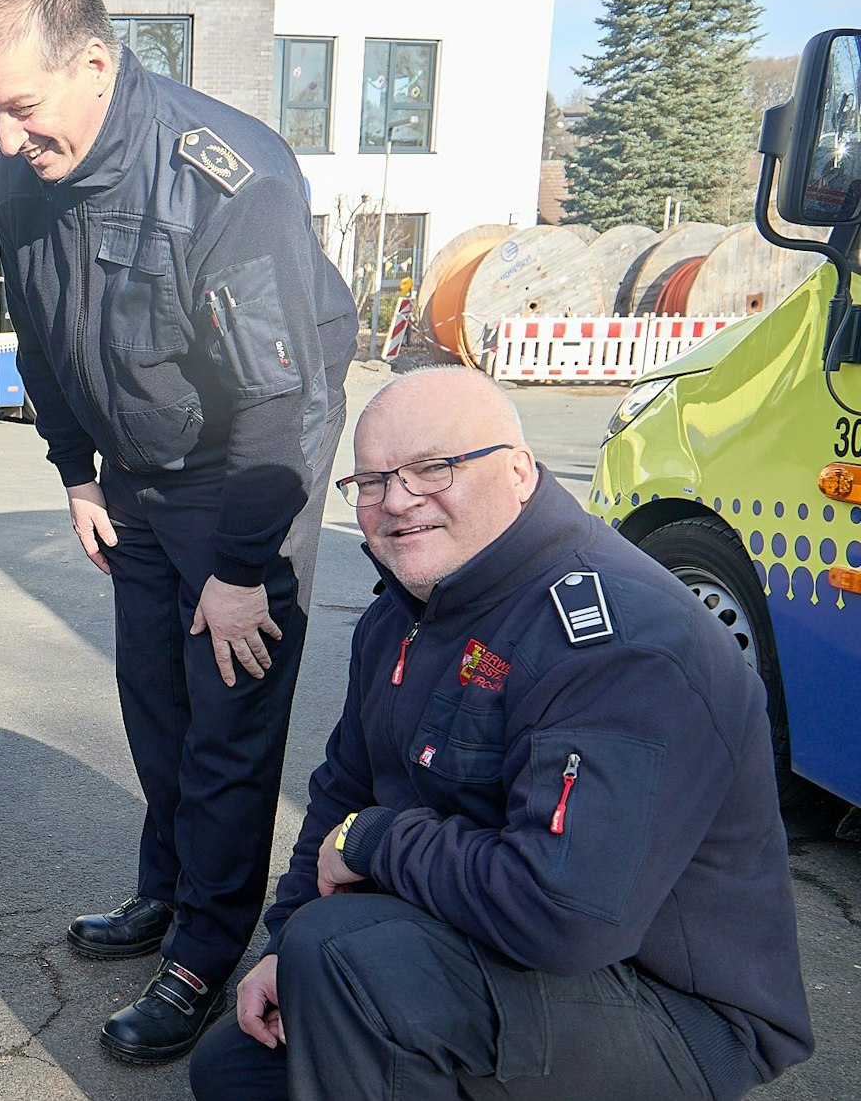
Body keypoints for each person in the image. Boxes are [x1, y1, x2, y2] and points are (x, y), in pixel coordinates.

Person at [188, 367, 814, 1100]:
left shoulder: (622, 643)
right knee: (235, 1069)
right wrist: (282, 939)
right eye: (371, 481)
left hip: (667, 1005)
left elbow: (567, 915)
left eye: (433, 468)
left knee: (342, 963)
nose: (396, 500)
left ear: (519, 471)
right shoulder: (406, 612)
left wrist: (376, 843)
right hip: (500, 944)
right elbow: (344, 788)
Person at [0, 0, 358, 1062]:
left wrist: (239, 569)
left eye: (20, 108)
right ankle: (169, 891)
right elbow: (38, 337)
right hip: (133, 470)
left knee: (226, 716)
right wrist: (74, 473)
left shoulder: (226, 177)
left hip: (245, 471)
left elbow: (280, 401)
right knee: (153, 699)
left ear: (93, 66)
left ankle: (204, 950)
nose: (3, 138)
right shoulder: (22, 176)